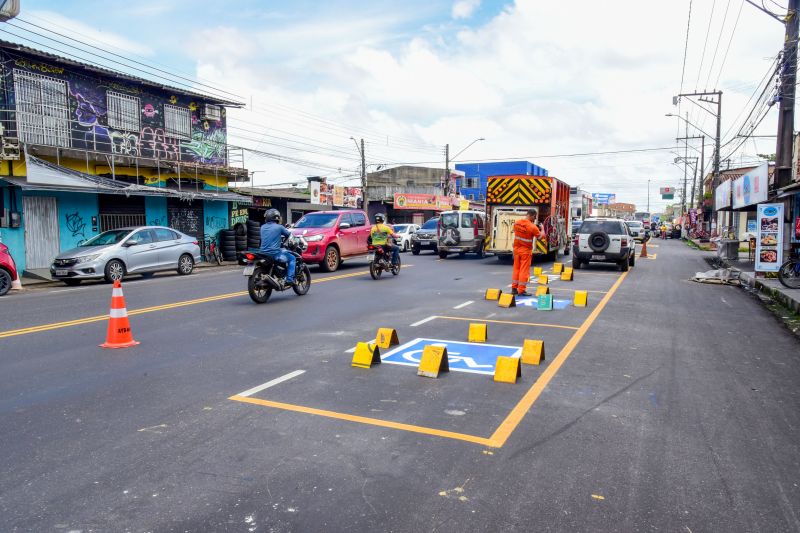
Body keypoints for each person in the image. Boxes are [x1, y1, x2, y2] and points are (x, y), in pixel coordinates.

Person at [511, 209, 543, 296]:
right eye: (535, 217)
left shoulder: (517, 223)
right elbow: (540, 237)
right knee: (523, 271)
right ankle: (521, 290)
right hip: (525, 251)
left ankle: (514, 288)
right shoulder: (533, 227)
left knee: (516, 269)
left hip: (516, 249)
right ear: (532, 216)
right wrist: (542, 229)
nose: (535, 219)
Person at [259, 208, 295, 285]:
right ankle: (289, 279)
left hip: (262, 253)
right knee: (292, 258)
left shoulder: (262, 227)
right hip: (274, 253)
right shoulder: (279, 227)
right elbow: (288, 235)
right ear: (276, 217)